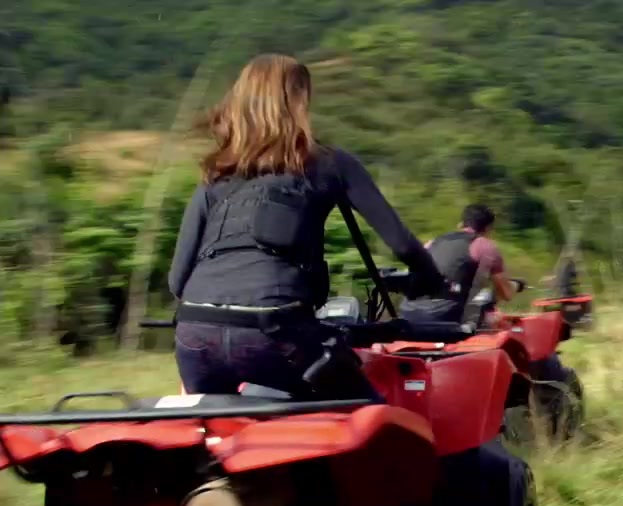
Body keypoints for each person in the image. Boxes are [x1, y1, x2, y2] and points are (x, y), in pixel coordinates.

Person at [167, 54, 445, 400]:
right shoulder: (329, 162)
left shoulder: (215, 175)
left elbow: (177, 281)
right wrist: (432, 281)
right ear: (299, 101)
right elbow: (402, 244)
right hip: (277, 332)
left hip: (195, 336)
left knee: (212, 427)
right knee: (373, 415)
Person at [400, 204, 524, 325]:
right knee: (490, 306)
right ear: (488, 228)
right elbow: (506, 294)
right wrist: (516, 285)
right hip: (444, 314)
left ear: (460, 224)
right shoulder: (484, 246)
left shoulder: (432, 243)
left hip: (408, 312)